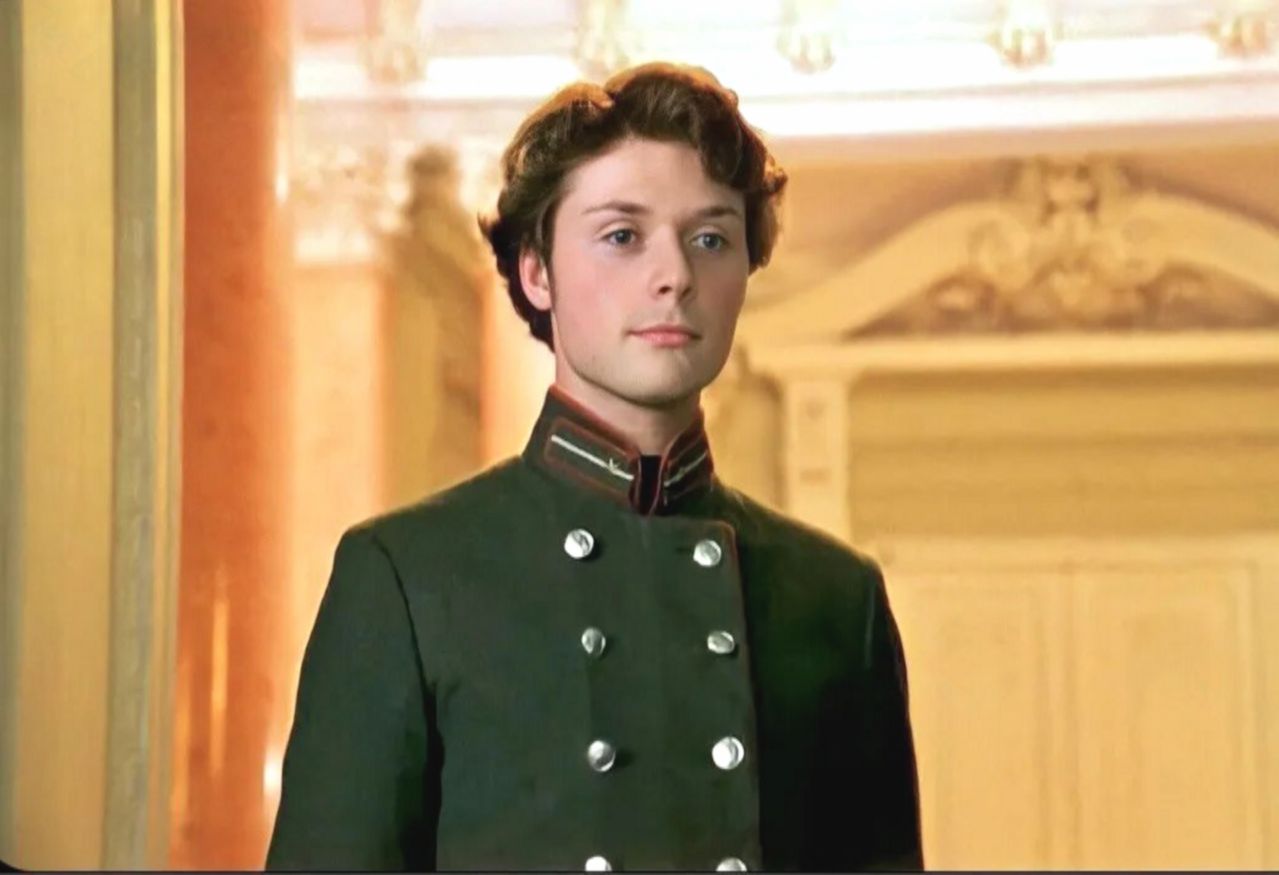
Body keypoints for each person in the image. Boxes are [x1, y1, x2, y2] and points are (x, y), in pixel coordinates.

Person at [266, 61, 923, 872]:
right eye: (621, 236)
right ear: (536, 273)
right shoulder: (407, 576)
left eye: (710, 238)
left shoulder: (836, 598)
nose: (674, 275)